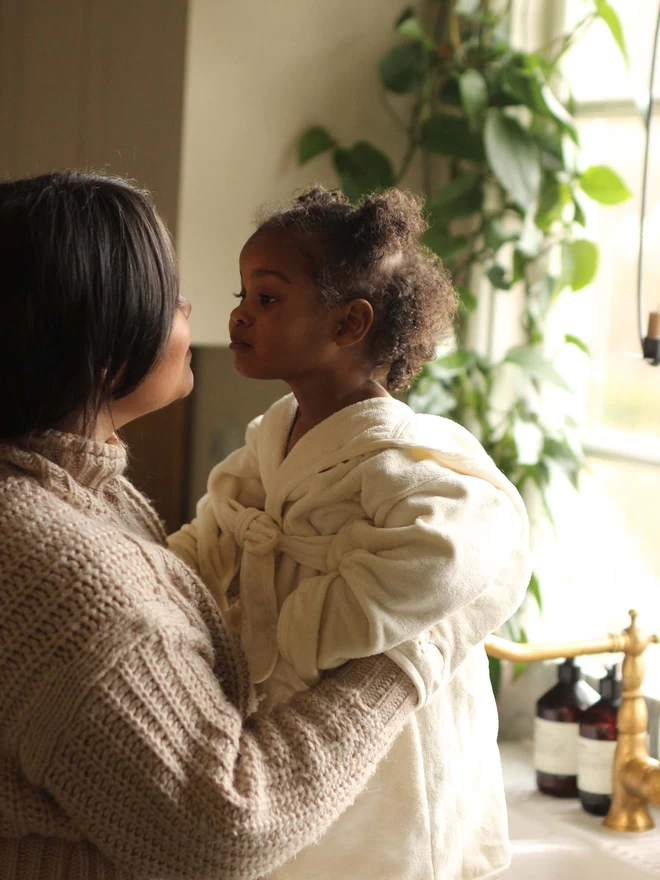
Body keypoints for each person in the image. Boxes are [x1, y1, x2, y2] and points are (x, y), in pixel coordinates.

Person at [0, 170, 458, 880]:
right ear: (96, 331)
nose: (194, 307)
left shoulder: (73, 492)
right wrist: (408, 659)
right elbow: (226, 829)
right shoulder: (54, 573)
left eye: (265, 297)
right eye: (165, 291)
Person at [169, 186, 532, 880]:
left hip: (387, 744)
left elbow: (444, 560)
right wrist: (161, 583)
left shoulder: (408, 460)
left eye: (267, 299)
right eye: (244, 293)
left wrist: (291, 634)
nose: (239, 314)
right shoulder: (272, 435)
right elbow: (216, 528)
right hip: (292, 728)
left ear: (347, 324)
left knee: (377, 855)